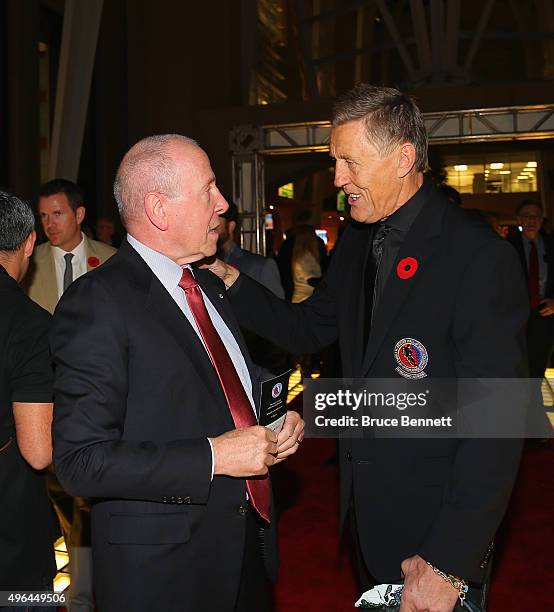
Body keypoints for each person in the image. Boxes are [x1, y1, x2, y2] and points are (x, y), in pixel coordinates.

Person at [206, 85, 528, 611]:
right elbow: (311, 329)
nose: (337, 179)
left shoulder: (478, 258)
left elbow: (499, 422)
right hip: (365, 512)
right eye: (335, 162)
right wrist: (225, 276)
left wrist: (450, 559)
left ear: (403, 158)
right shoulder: (358, 239)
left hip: (437, 527)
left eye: (349, 162)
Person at [51, 134, 304, 612]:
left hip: (245, 546)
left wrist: (271, 426)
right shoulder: (97, 303)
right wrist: (214, 456)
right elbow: (81, 463)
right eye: (208, 190)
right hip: (166, 573)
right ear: (159, 210)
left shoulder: (208, 283)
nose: (223, 204)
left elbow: (221, 394)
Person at [0, 190, 56, 612]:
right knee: (28, 603)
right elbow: (37, 453)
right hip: (13, 534)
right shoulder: (30, 324)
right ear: (29, 243)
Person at [24, 179, 116, 314]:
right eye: (44, 216)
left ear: (79, 215)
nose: (49, 224)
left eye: (57, 214)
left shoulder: (111, 259)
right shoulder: (29, 262)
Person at [217, 199, 287, 373]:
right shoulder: (195, 267)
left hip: (257, 371)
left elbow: (278, 324)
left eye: (217, 219)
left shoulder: (259, 266)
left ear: (231, 226)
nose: (209, 223)